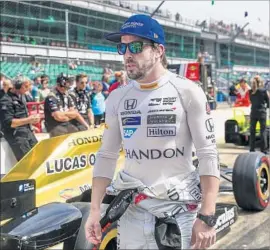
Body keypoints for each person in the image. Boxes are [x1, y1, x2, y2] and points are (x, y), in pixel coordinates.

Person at [85, 14, 220, 250]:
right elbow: (106, 155)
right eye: (123, 47)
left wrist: (207, 215)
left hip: (180, 214)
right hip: (132, 214)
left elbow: (208, 154)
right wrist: (95, 211)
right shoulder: (117, 97)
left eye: (136, 46)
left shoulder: (187, 91)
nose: (127, 54)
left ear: (158, 51)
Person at [0, 76, 39, 161]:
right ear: (17, 86)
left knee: (39, 156)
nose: (28, 89)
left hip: (27, 131)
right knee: (27, 162)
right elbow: (9, 123)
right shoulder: (6, 100)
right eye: (26, 86)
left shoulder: (22, 96)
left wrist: (31, 124)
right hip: (16, 135)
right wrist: (29, 120)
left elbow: (22, 116)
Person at [44, 73, 89, 137]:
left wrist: (87, 126)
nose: (70, 84)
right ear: (63, 82)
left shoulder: (67, 96)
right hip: (55, 127)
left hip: (67, 125)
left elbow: (75, 113)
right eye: (68, 82)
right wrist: (69, 115)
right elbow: (58, 117)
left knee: (80, 135)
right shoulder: (51, 97)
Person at [249, 76, 269, 154]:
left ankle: (252, 149)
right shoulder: (263, 91)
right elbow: (268, 101)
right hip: (262, 112)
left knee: (252, 131)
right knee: (263, 131)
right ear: (260, 82)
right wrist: (266, 107)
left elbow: (251, 100)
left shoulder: (250, 91)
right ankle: (263, 149)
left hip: (253, 112)